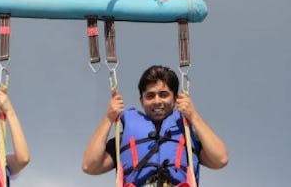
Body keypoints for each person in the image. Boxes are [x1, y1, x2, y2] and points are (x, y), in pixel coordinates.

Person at [82, 65, 228, 187]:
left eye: (163, 94)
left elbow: (220, 159)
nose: (157, 101)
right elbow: (90, 166)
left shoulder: (188, 138)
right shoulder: (124, 139)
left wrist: (194, 116)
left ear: (176, 99)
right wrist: (108, 118)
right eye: (150, 96)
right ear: (142, 100)